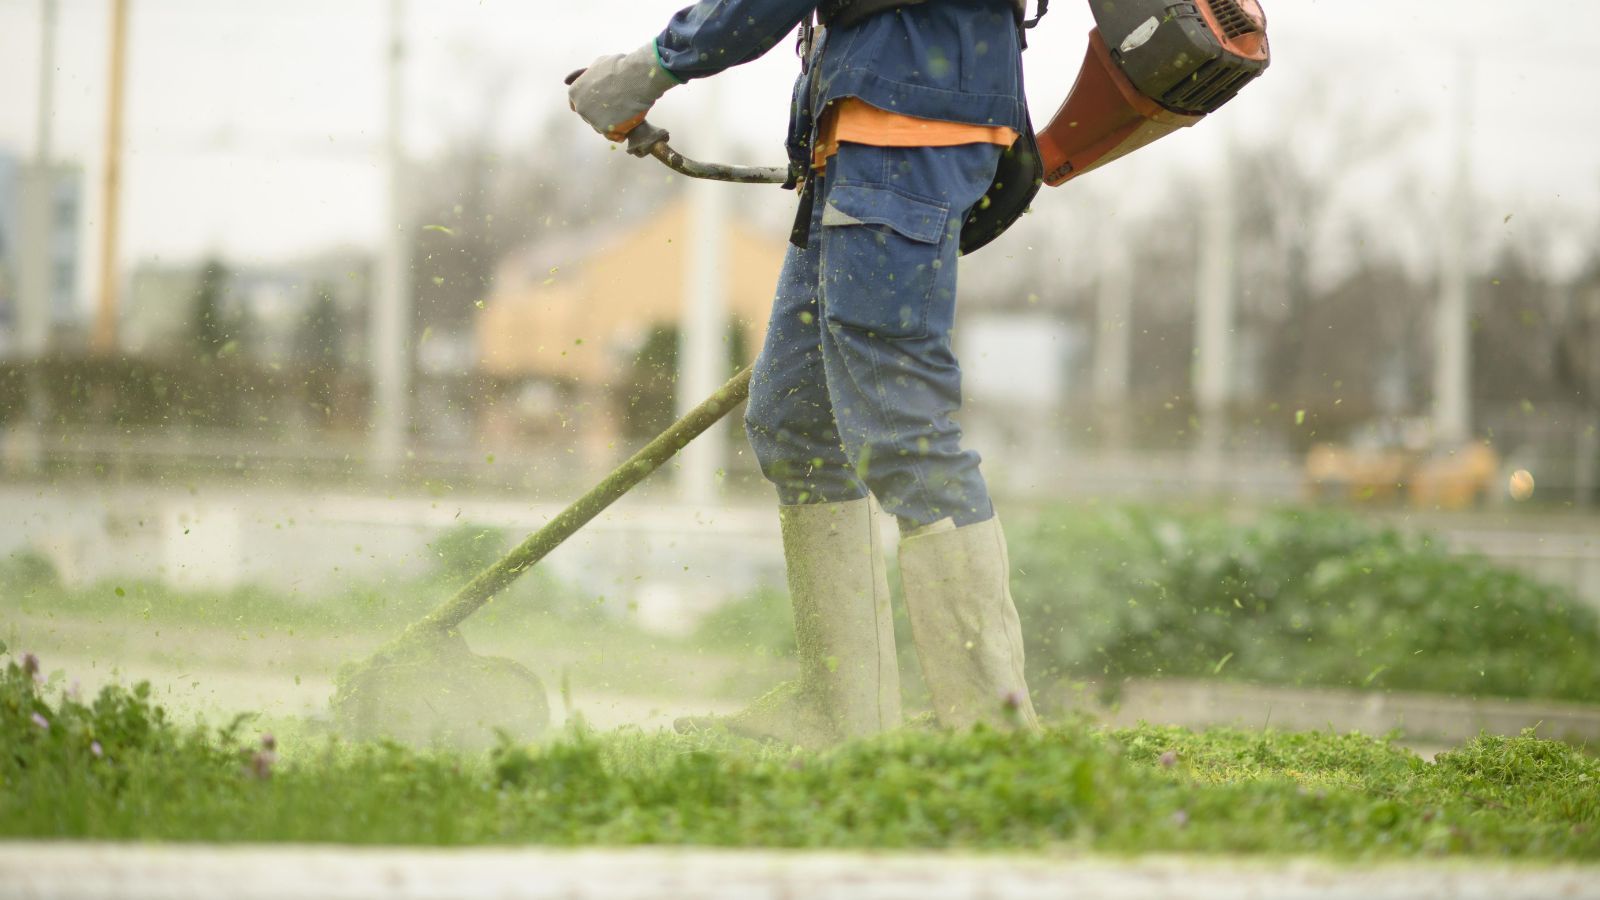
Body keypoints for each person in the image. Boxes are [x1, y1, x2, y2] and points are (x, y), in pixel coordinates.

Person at [569, 0, 1039, 747]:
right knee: (795, 423)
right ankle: (848, 717)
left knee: (905, 431)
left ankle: (996, 739)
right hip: (860, 145)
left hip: (903, 137)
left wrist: (649, 67)